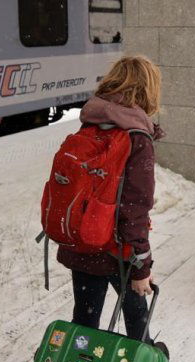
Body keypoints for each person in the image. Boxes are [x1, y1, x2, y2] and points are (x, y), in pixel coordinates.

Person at [57, 55, 164, 338]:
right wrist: (141, 265)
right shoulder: (136, 137)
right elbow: (136, 207)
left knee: (85, 318)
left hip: (82, 241)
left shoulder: (91, 122)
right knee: (136, 316)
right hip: (118, 251)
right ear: (147, 90)